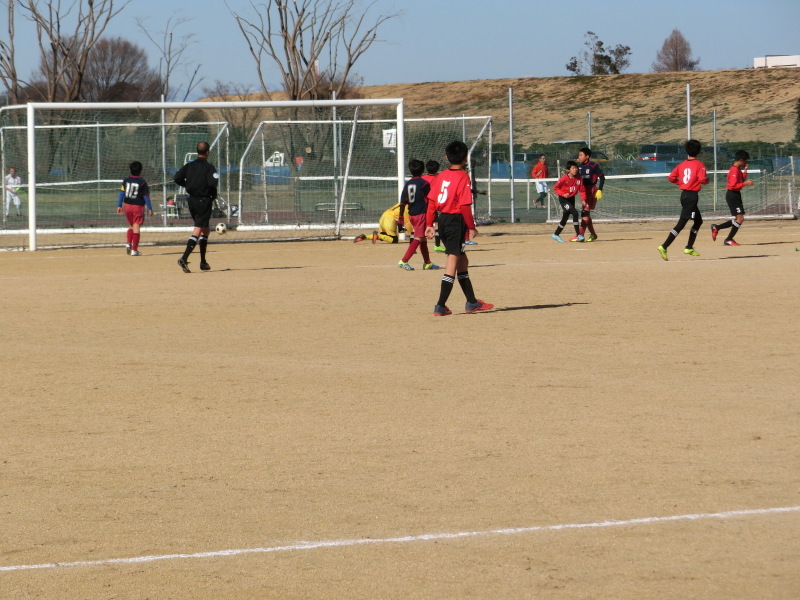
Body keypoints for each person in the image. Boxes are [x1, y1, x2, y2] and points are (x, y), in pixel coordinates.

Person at [424, 140, 493, 316]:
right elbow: (464, 206)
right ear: (465, 159)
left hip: (443, 219)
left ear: (447, 158)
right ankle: (440, 305)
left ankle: (471, 302)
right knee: (452, 262)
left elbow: (432, 202)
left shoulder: (440, 176)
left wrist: (430, 224)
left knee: (462, 261)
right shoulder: (463, 177)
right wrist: (472, 227)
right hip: (456, 221)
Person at [658, 139, 708, 261]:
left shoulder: (681, 164)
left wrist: (681, 183)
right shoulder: (699, 164)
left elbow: (671, 178)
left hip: (685, 195)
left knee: (698, 221)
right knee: (681, 224)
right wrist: (707, 180)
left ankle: (689, 247)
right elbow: (702, 180)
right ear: (699, 151)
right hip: (691, 197)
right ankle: (664, 246)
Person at [174, 141, 219, 273]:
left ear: (197, 151)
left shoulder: (189, 165)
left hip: (192, 200)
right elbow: (212, 183)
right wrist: (213, 193)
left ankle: (203, 262)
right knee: (198, 229)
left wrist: (187, 185)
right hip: (203, 201)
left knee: (205, 230)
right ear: (207, 152)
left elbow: (177, 178)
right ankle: (184, 258)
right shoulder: (209, 167)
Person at [396, 159, 439, 271]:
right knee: (419, 238)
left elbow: (402, 203)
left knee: (423, 238)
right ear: (423, 170)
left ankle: (427, 263)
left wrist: (400, 219)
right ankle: (404, 261)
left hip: (412, 214)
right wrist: (435, 217)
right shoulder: (424, 184)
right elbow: (431, 201)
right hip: (421, 213)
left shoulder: (407, 184)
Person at [711, 150, 755, 246]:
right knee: (740, 218)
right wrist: (746, 183)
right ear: (740, 160)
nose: (745, 163)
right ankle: (728, 239)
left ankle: (717, 228)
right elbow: (733, 186)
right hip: (732, 195)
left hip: (735, 195)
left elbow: (741, 180)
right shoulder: (734, 170)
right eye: (745, 161)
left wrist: (745, 170)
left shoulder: (737, 168)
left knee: (738, 219)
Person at [116, 161, 153, 256]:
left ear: (130, 170)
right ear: (141, 171)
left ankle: (128, 243)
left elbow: (121, 193)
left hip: (127, 205)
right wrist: (149, 208)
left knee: (131, 225)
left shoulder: (126, 180)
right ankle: (134, 250)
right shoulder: (142, 182)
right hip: (137, 206)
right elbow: (146, 196)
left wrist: (119, 205)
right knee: (136, 226)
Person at [575, 147, 605, 242]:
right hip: (583, 192)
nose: (579, 157)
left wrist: (599, 190)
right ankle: (593, 234)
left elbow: (602, 177)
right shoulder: (579, 167)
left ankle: (580, 236)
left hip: (591, 191)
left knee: (584, 213)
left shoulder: (593, 166)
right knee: (586, 214)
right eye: (579, 155)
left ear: (587, 156)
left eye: (581, 155)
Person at [551, 161, 583, 243]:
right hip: (564, 199)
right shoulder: (564, 178)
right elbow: (555, 188)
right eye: (573, 168)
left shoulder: (578, 178)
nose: (575, 170)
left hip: (572, 199)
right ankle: (578, 235)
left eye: (576, 168)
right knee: (575, 213)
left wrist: (584, 200)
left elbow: (582, 190)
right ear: (568, 170)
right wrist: (563, 194)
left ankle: (556, 234)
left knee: (565, 217)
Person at [423, 160, 445, 253]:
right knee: (436, 224)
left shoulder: (423, 178)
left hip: (422, 205)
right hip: (431, 205)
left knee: (419, 226)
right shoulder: (437, 179)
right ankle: (437, 245)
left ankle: (414, 245)